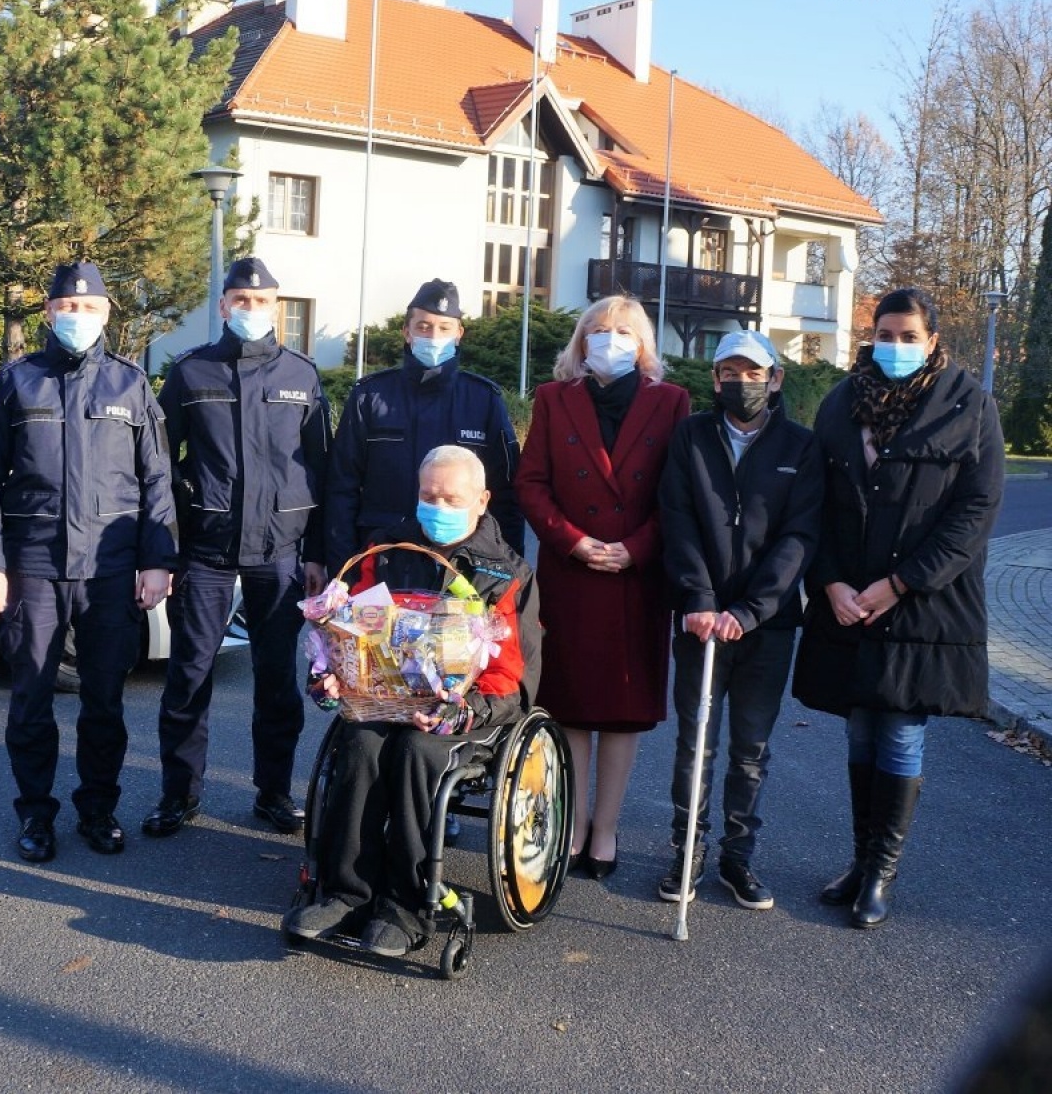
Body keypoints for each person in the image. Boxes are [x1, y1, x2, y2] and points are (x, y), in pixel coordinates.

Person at [794, 288, 1003, 928]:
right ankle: (859, 862)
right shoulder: (841, 402)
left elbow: (975, 511)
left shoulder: (970, 404)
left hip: (922, 602)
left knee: (903, 731)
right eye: (886, 334)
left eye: (909, 336)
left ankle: (882, 873)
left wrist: (903, 582)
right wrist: (829, 582)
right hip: (849, 599)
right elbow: (815, 502)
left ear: (933, 340)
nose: (896, 346)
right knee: (860, 727)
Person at [284, 446, 542, 957]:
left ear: (482, 500)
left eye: (451, 498)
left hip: (467, 709)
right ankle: (346, 892)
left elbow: (511, 677)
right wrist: (334, 674)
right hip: (387, 698)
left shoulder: (506, 574)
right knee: (359, 743)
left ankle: (406, 905)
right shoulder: (385, 551)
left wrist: (462, 709)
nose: (437, 507)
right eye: (429, 496)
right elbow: (351, 629)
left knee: (416, 753)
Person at [0, 260, 177, 863]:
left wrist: (158, 560)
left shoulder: (129, 384)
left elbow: (157, 478)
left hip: (109, 569)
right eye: (66, 307)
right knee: (31, 697)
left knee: (104, 700)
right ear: (48, 313)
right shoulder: (19, 381)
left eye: (87, 308)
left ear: (106, 314)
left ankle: (98, 809)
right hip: (34, 565)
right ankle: (35, 813)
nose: (76, 317)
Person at [144, 257, 331, 839]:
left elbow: (321, 469)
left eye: (262, 301)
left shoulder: (301, 374)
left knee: (276, 681)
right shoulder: (191, 371)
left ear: (277, 307)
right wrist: (166, 548)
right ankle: (179, 794)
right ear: (223, 305)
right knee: (189, 676)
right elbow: (159, 467)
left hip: (280, 549)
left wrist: (318, 554)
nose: (251, 309)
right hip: (207, 548)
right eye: (241, 301)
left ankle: (274, 792)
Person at [515, 294, 689, 879]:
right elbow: (531, 482)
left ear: (641, 345)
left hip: (636, 576)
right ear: (580, 340)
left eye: (622, 331)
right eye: (596, 329)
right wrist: (571, 541)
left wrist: (637, 548)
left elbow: (678, 492)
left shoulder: (671, 401)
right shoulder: (553, 398)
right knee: (570, 705)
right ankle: (573, 822)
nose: (608, 339)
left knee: (621, 711)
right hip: (572, 572)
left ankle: (606, 827)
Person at [656, 330, 824, 910]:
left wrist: (751, 611)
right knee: (695, 743)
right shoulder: (691, 436)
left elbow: (800, 536)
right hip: (699, 620)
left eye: (754, 373)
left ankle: (737, 857)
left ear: (775, 379)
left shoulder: (801, 447)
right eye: (730, 372)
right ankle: (687, 851)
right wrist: (699, 599)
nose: (742, 383)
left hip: (766, 625)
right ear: (716, 379)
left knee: (751, 749)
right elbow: (677, 519)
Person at [325, 279, 524, 577]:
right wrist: (342, 569)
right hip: (381, 558)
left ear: (459, 334)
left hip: (463, 562)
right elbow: (342, 487)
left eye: (445, 328)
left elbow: (505, 493)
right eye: (424, 327)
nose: (434, 336)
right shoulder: (369, 397)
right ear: (407, 332)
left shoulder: (483, 400)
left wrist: (508, 569)